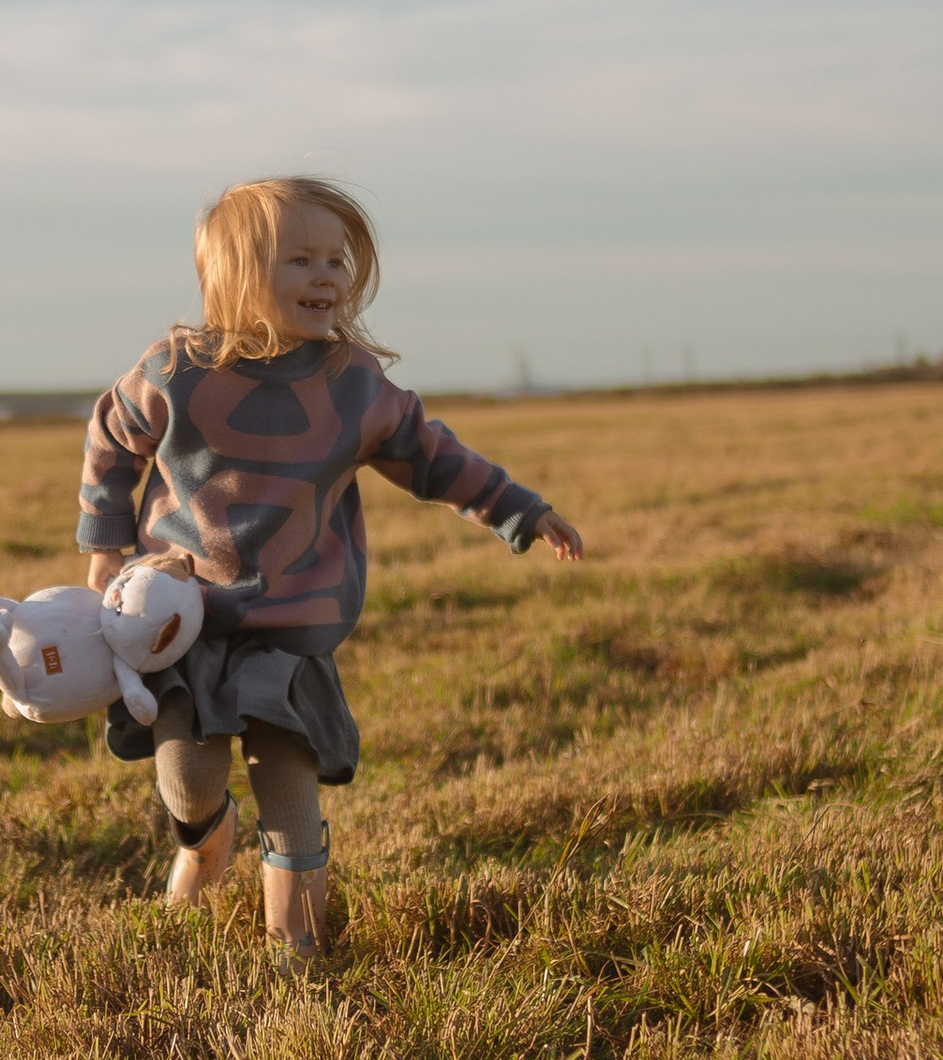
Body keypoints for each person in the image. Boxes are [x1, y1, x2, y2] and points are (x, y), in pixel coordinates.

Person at [77, 176, 584, 966]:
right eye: (301, 261)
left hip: (291, 624)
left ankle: (297, 947)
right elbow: (112, 436)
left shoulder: (353, 387)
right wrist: (105, 541)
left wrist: (519, 509)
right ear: (237, 277)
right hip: (182, 617)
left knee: (291, 786)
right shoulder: (177, 372)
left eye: (337, 261)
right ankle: (206, 843)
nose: (327, 278)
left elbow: (431, 455)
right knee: (189, 778)